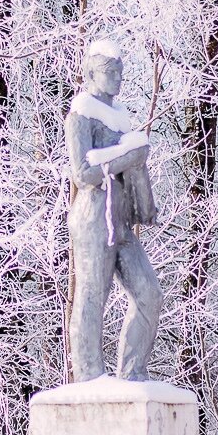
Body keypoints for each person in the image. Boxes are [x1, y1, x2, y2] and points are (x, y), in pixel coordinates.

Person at [65, 39, 162, 382]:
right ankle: (89, 378)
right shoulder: (81, 114)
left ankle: (132, 373)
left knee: (149, 292)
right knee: (92, 295)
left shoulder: (120, 117)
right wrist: (129, 158)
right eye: (111, 71)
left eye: (121, 70)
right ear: (91, 72)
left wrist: (144, 202)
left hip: (120, 219)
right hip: (93, 217)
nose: (118, 77)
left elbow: (135, 165)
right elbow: (83, 173)